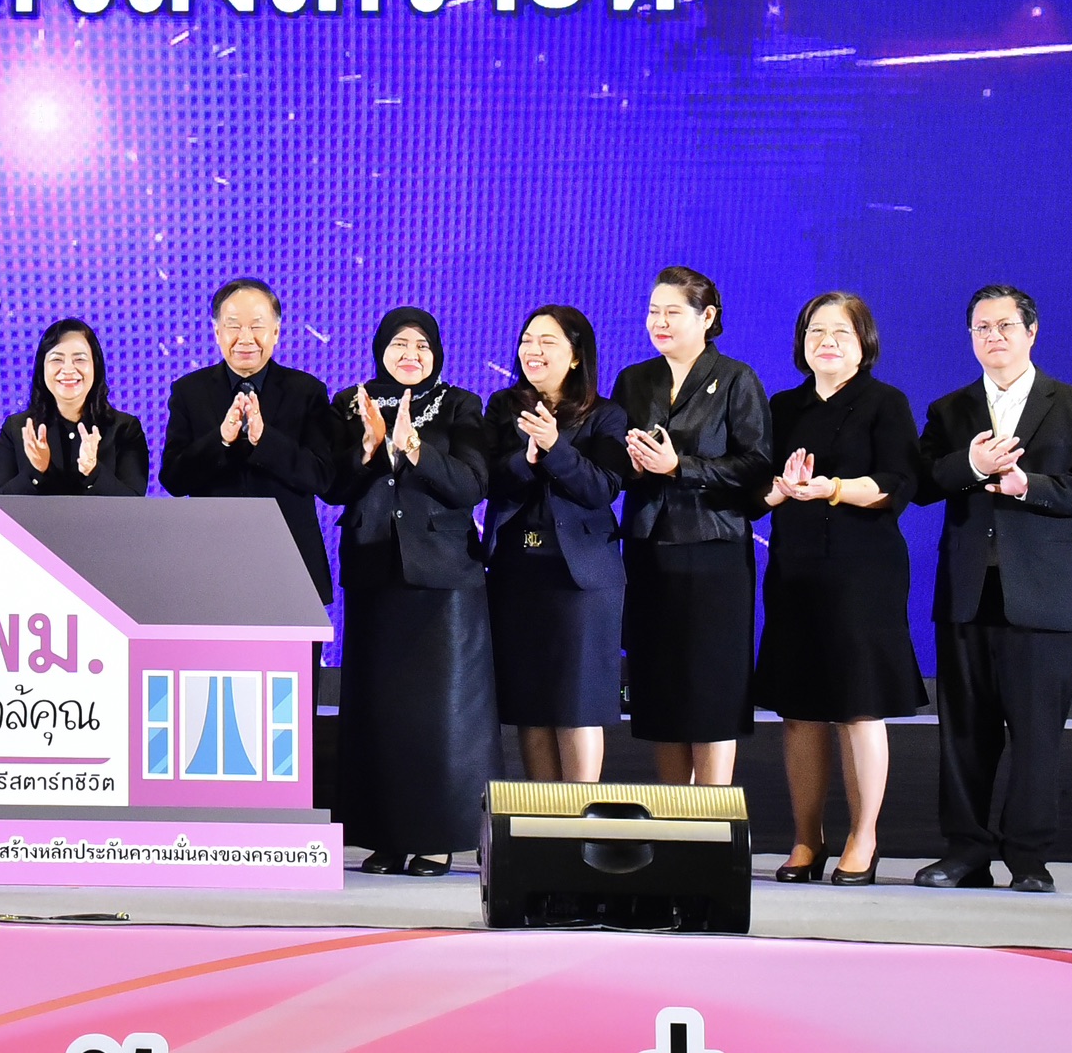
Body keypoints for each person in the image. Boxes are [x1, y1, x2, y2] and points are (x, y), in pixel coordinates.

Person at [913, 284, 1072, 895]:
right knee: (963, 733)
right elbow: (922, 483)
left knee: (1036, 736)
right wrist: (973, 467)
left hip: (1045, 599)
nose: (993, 337)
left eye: (1005, 326)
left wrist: (1029, 486)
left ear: (1031, 332)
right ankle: (965, 852)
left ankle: (1029, 858)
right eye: (981, 328)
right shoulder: (950, 410)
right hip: (967, 594)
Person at [754, 291, 923, 886]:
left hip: (863, 570)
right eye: (815, 331)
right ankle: (807, 837)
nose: (826, 341)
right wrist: (780, 489)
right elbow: (757, 489)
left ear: (864, 342)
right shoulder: (782, 406)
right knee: (799, 709)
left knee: (858, 705)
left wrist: (832, 488)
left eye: (841, 332)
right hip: (795, 568)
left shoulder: (885, 402)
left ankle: (864, 837)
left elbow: (898, 482)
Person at [325, 307, 495, 874]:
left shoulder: (461, 404)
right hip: (375, 569)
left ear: (437, 354)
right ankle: (385, 835)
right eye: (399, 344)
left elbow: (472, 484)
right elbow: (333, 486)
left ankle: (436, 836)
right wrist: (368, 448)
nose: (410, 355)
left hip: (444, 576)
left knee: (440, 713)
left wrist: (417, 450)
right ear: (381, 350)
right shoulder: (351, 403)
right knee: (379, 711)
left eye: (422, 346)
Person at [612, 266, 772, 786]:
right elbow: (614, 460)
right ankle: (672, 814)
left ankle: (711, 814)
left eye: (672, 312)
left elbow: (756, 464)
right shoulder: (635, 380)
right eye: (652, 311)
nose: (658, 322)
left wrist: (679, 467)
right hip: (648, 549)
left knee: (710, 687)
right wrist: (634, 466)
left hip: (713, 550)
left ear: (707, 317)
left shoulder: (737, 378)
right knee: (661, 687)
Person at [483, 305, 629, 784]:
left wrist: (556, 448)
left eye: (547, 342)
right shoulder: (503, 407)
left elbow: (602, 488)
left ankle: (577, 817)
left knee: (577, 706)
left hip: (581, 579)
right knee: (532, 706)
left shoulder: (606, 415)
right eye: (528, 340)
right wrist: (526, 458)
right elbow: (487, 480)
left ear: (575, 356)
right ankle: (543, 819)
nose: (533, 350)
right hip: (517, 572)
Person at [160, 278, 338, 606]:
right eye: (233, 326)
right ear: (217, 332)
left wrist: (265, 441)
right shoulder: (189, 391)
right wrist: (221, 439)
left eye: (256, 326)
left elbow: (323, 477)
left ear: (276, 332)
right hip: (211, 565)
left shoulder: (307, 391)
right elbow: (173, 479)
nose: (245, 338)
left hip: (290, 564)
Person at [0, 317, 149, 495]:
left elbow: (134, 503)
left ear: (95, 366)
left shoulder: (125, 428)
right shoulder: (17, 429)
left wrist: (93, 471)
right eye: (57, 359)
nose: (68, 369)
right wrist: (36, 471)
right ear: (42, 368)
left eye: (79, 359)